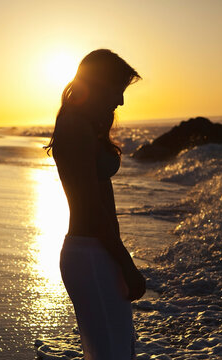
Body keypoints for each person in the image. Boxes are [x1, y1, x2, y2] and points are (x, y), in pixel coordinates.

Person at [45, 49, 146, 359]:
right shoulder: (75, 128)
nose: (121, 101)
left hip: (98, 252)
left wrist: (117, 258)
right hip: (89, 254)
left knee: (118, 352)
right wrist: (126, 265)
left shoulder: (85, 126)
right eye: (119, 89)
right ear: (101, 84)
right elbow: (90, 207)